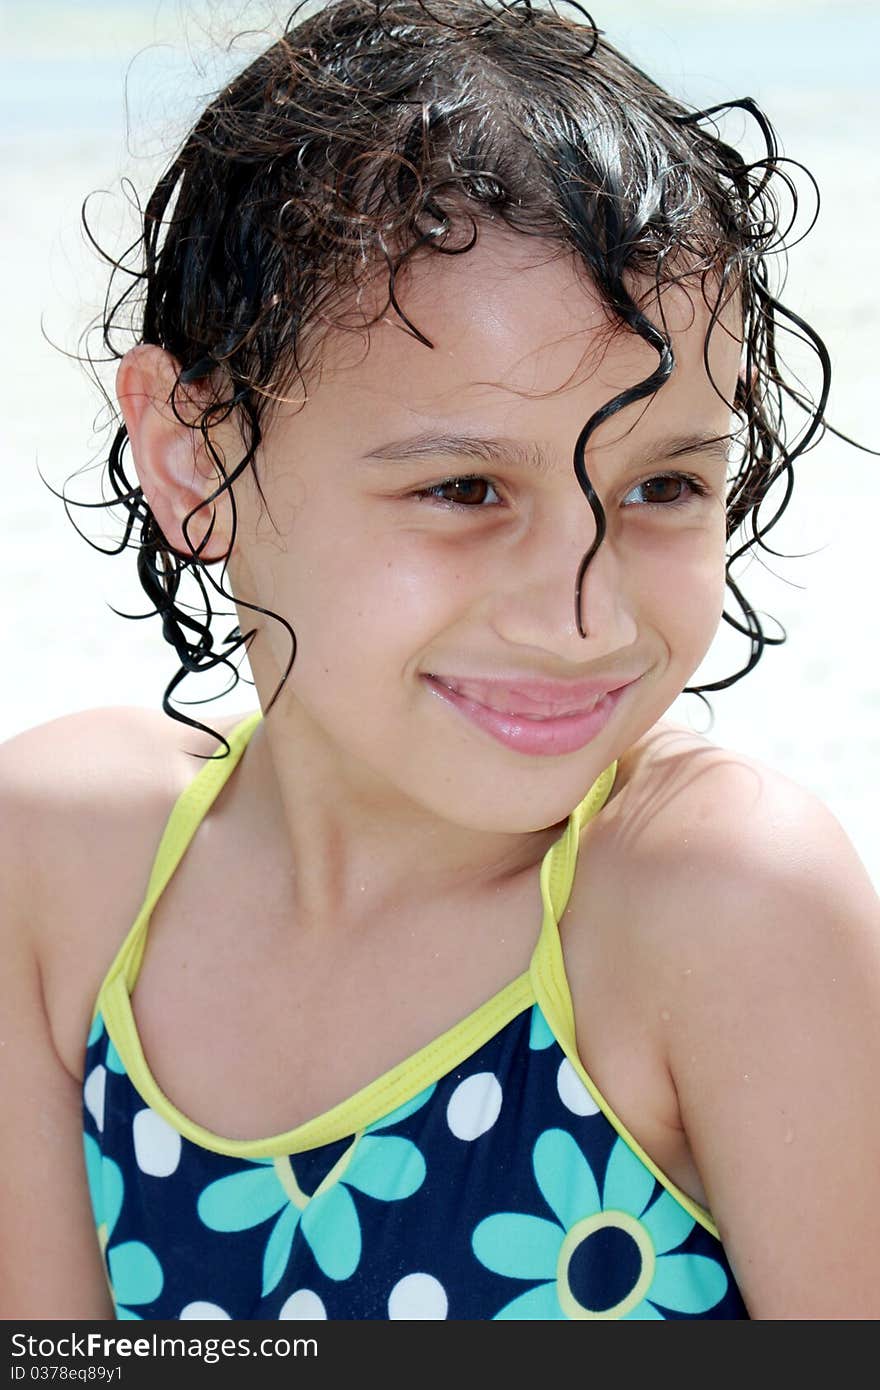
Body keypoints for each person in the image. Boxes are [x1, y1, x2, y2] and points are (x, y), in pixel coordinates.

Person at [2, 0, 878, 1323]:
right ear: (195, 459)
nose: (583, 617)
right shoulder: (60, 878)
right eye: (467, 488)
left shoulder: (716, 909)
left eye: (664, 488)